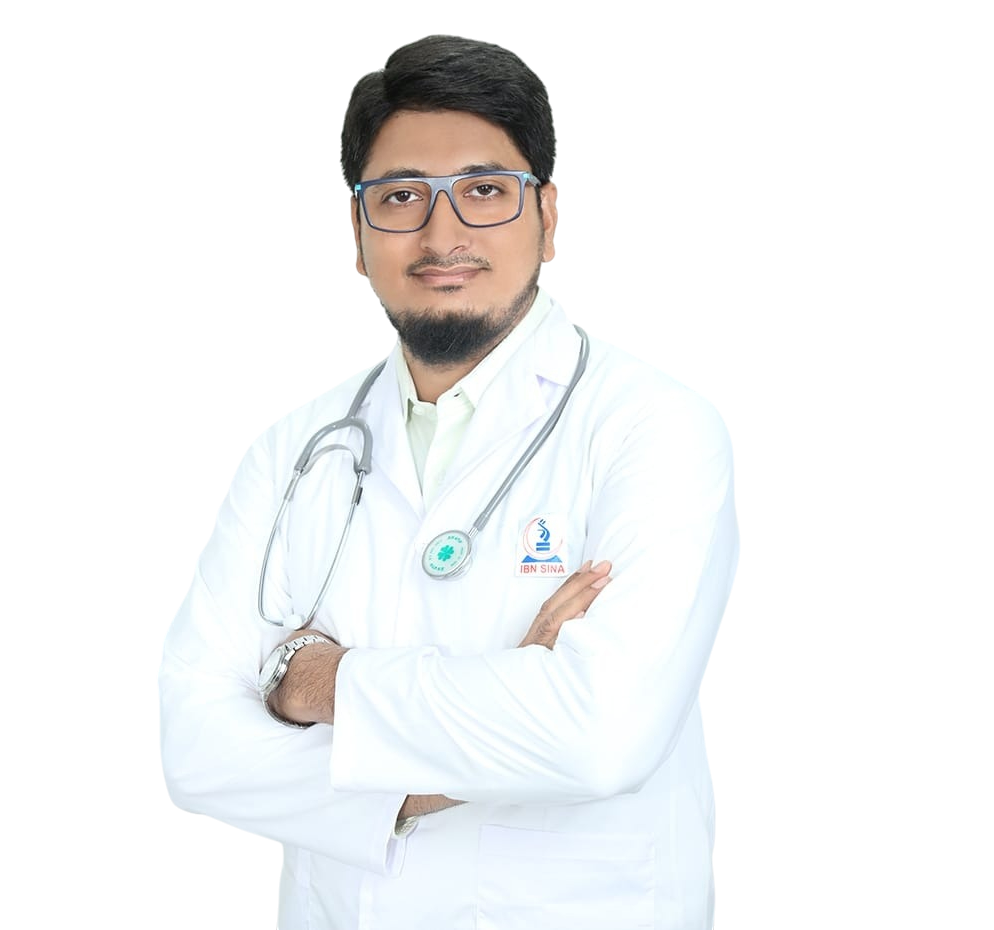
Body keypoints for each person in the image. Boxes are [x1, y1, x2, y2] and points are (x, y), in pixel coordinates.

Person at [157, 33, 740, 930]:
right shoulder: (292, 449)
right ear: (358, 235)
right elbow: (195, 752)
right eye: (400, 197)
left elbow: (601, 737)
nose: (442, 235)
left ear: (548, 218)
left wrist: (312, 684)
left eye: (484, 190)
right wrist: (506, 715)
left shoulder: (657, 427)